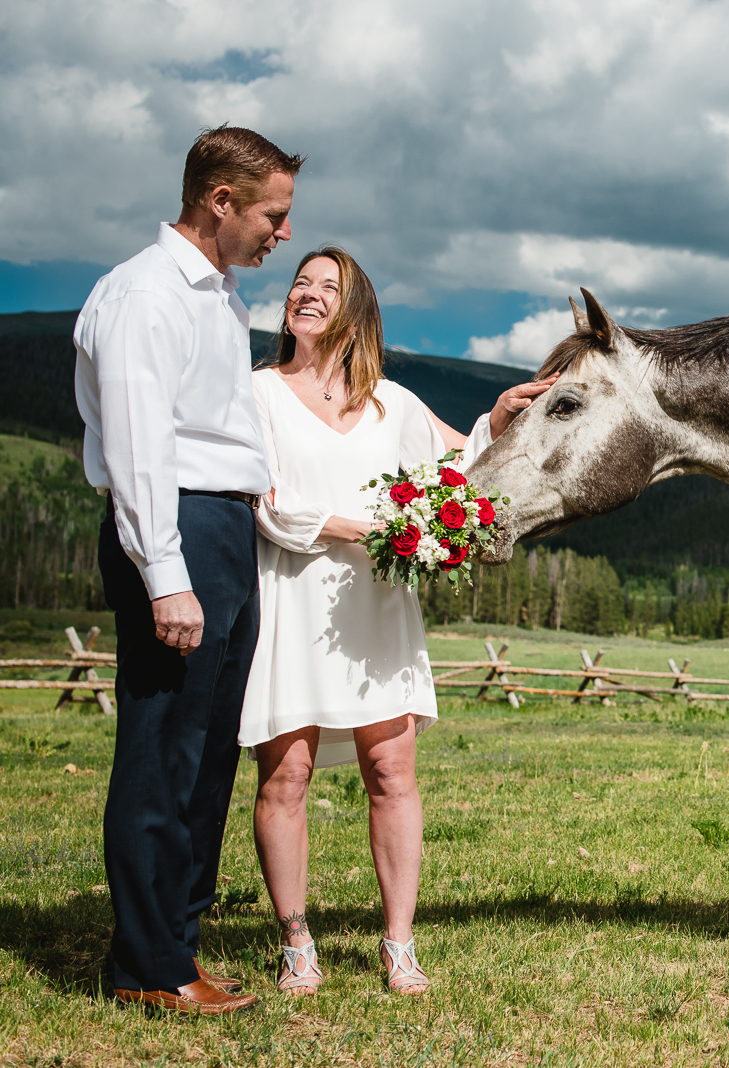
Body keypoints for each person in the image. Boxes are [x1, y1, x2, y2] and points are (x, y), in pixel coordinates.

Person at [241, 246, 556, 996]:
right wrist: (364, 530)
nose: (307, 295)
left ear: (356, 312)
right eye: (300, 283)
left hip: (378, 607)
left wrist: (499, 418)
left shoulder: (392, 402)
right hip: (292, 600)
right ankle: (296, 942)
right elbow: (265, 501)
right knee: (286, 776)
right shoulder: (256, 393)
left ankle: (399, 943)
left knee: (394, 771)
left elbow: (460, 462)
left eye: (328, 287)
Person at [74, 125, 302, 1015]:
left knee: (210, 750)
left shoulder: (219, 294)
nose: (281, 233)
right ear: (221, 202)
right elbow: (138, 447)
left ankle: (180, 942)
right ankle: (145, 965)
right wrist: (164, 573)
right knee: (162, 747)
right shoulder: (142, 295)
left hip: (222, 527)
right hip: (174, 528)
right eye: (273, 216)